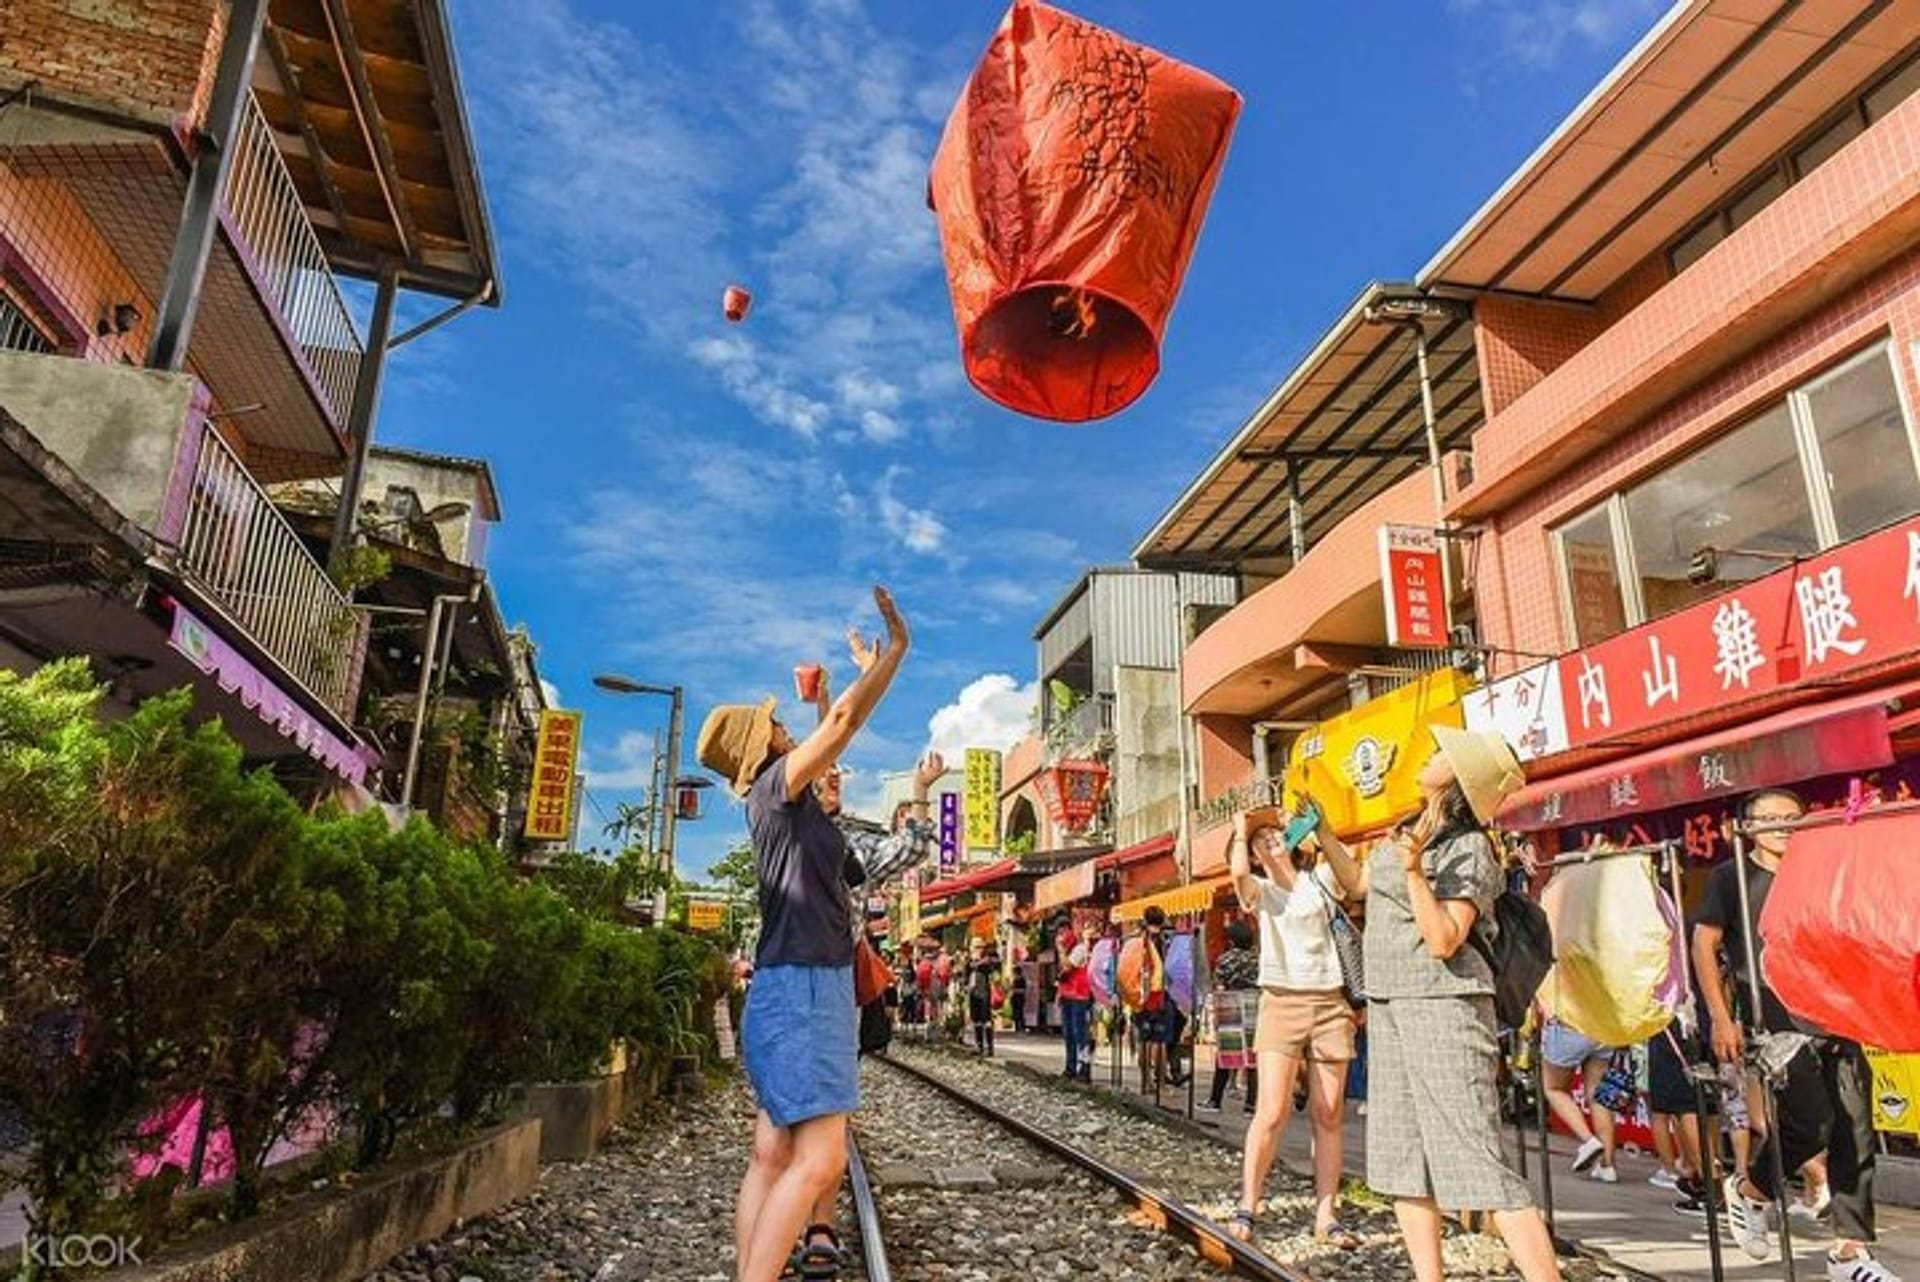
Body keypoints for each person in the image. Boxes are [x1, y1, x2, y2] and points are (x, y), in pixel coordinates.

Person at [697, 586, 908, 1282]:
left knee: (773, 1153)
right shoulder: (778, 790)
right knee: (820, 1159)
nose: (787, 726)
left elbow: (829, 738)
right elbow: (845, 723)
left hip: (791, 985)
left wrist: (825, 701)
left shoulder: (784, 803)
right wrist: (894, 654)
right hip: (808, 988)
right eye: (779, 725)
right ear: (765, 749)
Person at [1306, 726, 1561, 1282]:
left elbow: (1445, 937)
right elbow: (1357, 884)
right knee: (1402, 1158)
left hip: (1445, 1004)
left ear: (1462, 780)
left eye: (1444, 754)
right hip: (1391, 1002)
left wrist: (1418, 870)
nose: (1430, 752)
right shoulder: (1406, 830)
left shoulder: (1470, 848)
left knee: (1476, 1160)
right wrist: (1323, 830)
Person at [1697, 788, 1899, 1281]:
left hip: (1838, 1011)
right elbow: (1704, 945)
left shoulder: (1821, 870)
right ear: (1746, 827)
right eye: (1770, 818)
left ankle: (1849, 1253)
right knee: (1810, 1123)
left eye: (1792, 817)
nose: (1783, 825)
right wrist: (1722, 1017)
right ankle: (1752, 1191)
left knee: (1855, 1127)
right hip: (1777, 1020)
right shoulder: (1731, 879)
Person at [1224, 811, 1360, 1249]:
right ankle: (1248, 1202)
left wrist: (1320, 826)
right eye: (1260, 840)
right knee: (1272, 1110)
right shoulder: (1260, 891)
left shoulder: (1319, 878)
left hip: (1330, 1001)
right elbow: (1239, 876)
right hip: (1280, 1002)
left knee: (1329, 1111)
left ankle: (1327, 1215)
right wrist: (1242, 833)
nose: (1270, 841)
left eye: (1275, 834)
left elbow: (1353, 877)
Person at [1538, 1017, 1623, 1183]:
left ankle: (1589, 1141)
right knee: (1597, 1094)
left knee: (1553, 1089)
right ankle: (1608, 1165)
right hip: (1604, 1027)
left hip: (1569, 1025)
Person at [1206, 918, 1259, 1114]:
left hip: (1230, 1003)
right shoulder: (1257, 959)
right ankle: (1251, 1104)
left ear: (1232, 940)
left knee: (1226, 1053)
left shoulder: (1225, 959)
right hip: (1254, 1003)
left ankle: (1215, 1100)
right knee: (1253, 1055)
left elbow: (1219, 985)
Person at [1056, 924, 1093, 1081]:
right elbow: (1063, 974)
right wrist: (1059, 993)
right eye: (1060, 932)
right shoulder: (1069, 950)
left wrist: (1060, 950)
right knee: (1069, 1033)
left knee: (1080, 1033)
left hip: (1079, 997)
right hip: (1068, 996)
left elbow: (1067, 966)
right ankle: (1070, 1067)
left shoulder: (1079, 949)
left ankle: (1084, 1067)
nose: (1061, 936)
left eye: (1064, 931)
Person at [968, 941, 999, 1056]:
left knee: (986, 1019)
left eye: (979, 947)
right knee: (977, 1020)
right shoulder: (970, 960)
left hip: (984, 991)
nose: (977, 949)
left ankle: (989, 1047)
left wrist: (980, 962)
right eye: (975, 947)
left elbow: (994, 964)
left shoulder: (988, 959)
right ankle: (979, 1045)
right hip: (973, 991)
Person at [1011, 963, 1030, 1034]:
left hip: (1019, 998)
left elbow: (1023, 990)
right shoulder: (1014, 980)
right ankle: (1016, 1027)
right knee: (1015, 1013)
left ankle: (1022, 1026)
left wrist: (1015, 990)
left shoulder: (1022, 980)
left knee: (1020, 1013)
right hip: (1015, 998)